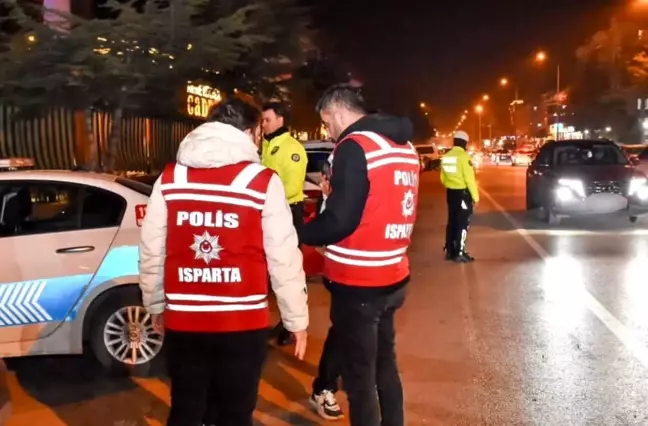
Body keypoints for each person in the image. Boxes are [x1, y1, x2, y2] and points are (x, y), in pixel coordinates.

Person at [138, 98, 309, 426]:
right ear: (248, 132)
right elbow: (283, 257)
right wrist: (296, 318)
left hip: (185, 320)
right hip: (241, 323)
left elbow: (152, 249)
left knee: (187, 409)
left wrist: (155, 304)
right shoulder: (262, 182)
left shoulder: (171, 179)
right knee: (235, 413)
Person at [300, 84, 419, 426]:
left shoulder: (354, 146)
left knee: (360, 380)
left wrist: (300, 232)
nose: (328, 131)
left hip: (358, 280)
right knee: (385, 366)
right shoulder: (403, 146)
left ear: (338, 111)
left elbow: (340, 221)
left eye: (326, 123)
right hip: (393, 272)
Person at [260, 101, 308, 346]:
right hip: (271, 211)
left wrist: (263, 195)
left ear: (280, 120)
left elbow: (292, 187)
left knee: (289, 268)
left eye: (267, 120)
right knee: (273, 270)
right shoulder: (267, 147)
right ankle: (284, 320)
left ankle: (292, 325)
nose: (264, 124)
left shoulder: (291, 149)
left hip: (288, 211)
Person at [440, 130, 479, 263]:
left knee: (452, 221)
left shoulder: (446, 156)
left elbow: (442, 178)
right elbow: (469, 179)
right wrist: (475, 197)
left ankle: (450, 250)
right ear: (464, 143)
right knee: (463, 223)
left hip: (451, 193)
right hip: (463, 193)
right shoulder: (464, 157)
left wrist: (451, 184)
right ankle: (460, 252)